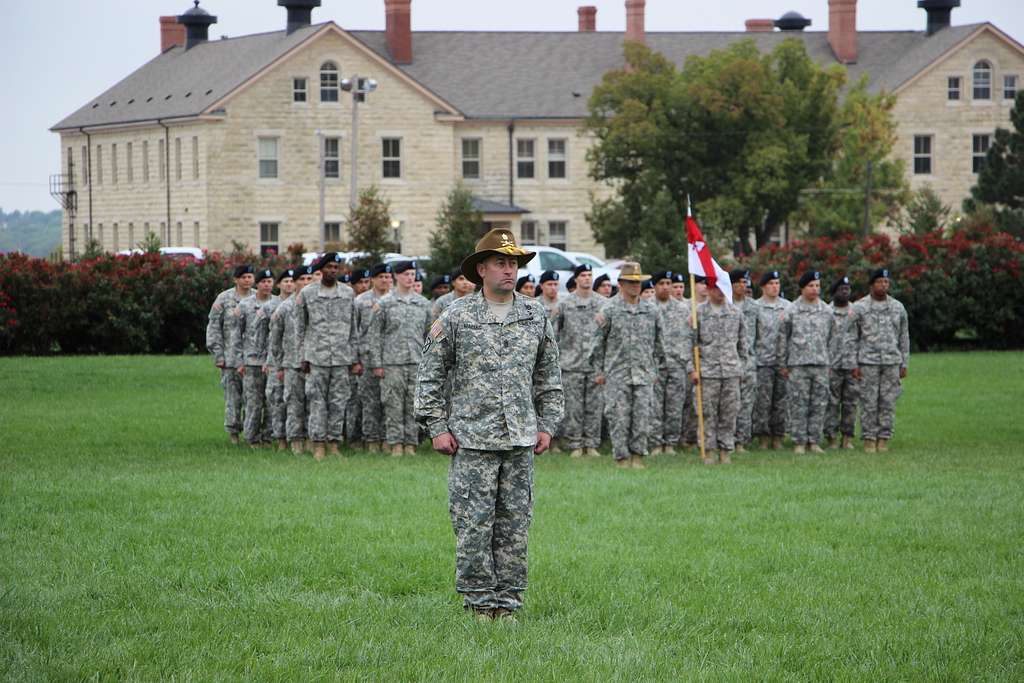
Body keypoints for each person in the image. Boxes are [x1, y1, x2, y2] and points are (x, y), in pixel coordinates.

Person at [415, 228, 563, 622]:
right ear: (481, 270)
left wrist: (547, 424)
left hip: (519, 439)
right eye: (500, 262)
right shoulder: (457, 315)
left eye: (513, 263)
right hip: (471, 440)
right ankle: (479, 602)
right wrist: (437, 426)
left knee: (515, 525)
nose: (509, 270)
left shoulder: (535, 315)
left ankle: (509, 603)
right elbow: (429, 375)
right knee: (473, 524)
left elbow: (549, 376)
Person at [591, 262, 664, 469]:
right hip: (617, 374)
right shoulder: (610, 310)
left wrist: (655, 369)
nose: (635, 286)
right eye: (630, 282)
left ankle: (638, 456)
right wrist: (599, 371)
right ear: (621, 283)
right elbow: (596, 344)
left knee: (642, 417)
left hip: (643, 374)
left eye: (638, 282)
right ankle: (621, 458)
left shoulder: (651, 310)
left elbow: (660, 344)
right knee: (619, 418)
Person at [294, 253, 362, 461]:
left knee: (338, 402)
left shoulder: (348, 293)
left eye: (336, 267)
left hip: (342, 358)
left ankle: (333, 443)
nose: (333, 270)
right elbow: (300, 328)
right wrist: (302, 357)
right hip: (317, 357)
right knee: (317, 402)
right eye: (329, 267)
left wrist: (355, 357)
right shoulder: (307, 293)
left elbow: (353, 328)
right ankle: (318, 444)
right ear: (320, 270)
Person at [368, 260, 433, 456]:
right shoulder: (385, 303)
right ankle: (396, 443)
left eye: (412, 274)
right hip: (392, 362)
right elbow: (375, 335)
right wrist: (377, 364)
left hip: (416, 361)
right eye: (405, 274)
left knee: (414, 405)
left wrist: (428, 362)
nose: (409, 278)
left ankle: (411, 444)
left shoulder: (423, 304)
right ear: (396, 276)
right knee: (393, 404)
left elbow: (429, 335)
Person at [689, 277, 747, 465]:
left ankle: (725, 450)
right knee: (707, 413)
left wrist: (741, 367)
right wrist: (692, 369)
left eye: (723, 288)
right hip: (707, 372)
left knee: (729, 413)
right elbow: (688, 345)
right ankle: (709, 450)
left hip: (730, 371)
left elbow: (743, 345)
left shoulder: (735, 313)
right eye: (716, 288)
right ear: (708, 289)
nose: (720, 292)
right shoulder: (697, 314)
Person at [851, 268, 909, 453]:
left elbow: (903, 336)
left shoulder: (897, 307)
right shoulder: (859, 307)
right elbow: (851, 337)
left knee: (888, 401)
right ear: (871, 284)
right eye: (879, 282)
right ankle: (869, 438)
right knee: (868, 401)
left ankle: (883, 438)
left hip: (891, 361)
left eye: (886, 282)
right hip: (867, 361)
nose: (883, 285)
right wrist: (854, 363)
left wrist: (904, 362)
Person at [779, 270, 837, 454]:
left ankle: (814, 441)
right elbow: (783, 338)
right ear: (802, 288)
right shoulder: (791, 310)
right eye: (811, 286)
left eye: (817, 286)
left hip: (820, 364)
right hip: (798, 364)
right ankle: (799, 442)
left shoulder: (827, 311)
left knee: (819, 404)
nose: (815, 289)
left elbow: (833, 339)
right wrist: (783, 364)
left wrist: (830, 363)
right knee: (798, 404)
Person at [552, 264, 604, 458]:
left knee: (594, 407)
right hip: (571, 363)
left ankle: (591, 444)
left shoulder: (603, 304)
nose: (587, 278)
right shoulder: (565, 304)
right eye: (583, 275)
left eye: (590, 275)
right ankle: (575, 444)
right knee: (573, 408)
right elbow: (555, 334)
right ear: (576, 279)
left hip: (595, 365)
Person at [206, 264, 254, 445]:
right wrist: (218, 354)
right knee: (233, 398)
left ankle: (252, 434)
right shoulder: (224, 299)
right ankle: (233, 434)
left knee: (252, 398)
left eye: (250, 277)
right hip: (230, 358)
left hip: (251, 358)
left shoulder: (258, 298)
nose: (247, 280)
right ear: (236, 279)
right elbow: (213, 327)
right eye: (244, 277)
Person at [269, 265, 314, 454]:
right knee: (294, 404)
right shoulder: (284, 308)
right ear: (294, 283)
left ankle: (313, 440)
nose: (305, 283)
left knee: (314, 404)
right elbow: (275, 340)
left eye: (308, 279)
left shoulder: (317, 304)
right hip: (291, 364)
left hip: (313, 363)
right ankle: (295, 442)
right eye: (301, 280)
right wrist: (279, 365)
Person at [237, 269, 279, 447]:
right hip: (252, 361)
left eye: (270, 281)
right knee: (253, 402)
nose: (267, 285)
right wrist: (238, 360)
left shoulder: (279, 303)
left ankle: (268, 436)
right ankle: (251, 438)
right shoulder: (245, 305)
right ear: (257, 284)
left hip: (272, 361)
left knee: (271, 401)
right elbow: (236, 334)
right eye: (263, 282)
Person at [650, 270, 691, 456]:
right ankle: (656, 443)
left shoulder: (683, 309)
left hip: (677, 364)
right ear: (655, 286)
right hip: (655, 365)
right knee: (655, 407)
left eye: (668, 283)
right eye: (662, 283)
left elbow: (690, 338)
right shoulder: (648, 307)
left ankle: (671, 443)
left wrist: (687, 362)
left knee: (675, 407)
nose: (666, 287)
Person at [354, 263, 393, 452]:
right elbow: (354, 331)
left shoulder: (397, 299)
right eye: (381, 277)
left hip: (392, 358)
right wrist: (356, 359)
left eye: (388, 277)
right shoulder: (361, 301)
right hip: (367, 359)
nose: (385, 280)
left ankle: (387, 440)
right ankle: (371, 441)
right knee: (369, 402)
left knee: (389, 401)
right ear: (373, 279)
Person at [753, 270, 791, 449]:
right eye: (771, 284)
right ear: (763, 287)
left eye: (777, 283)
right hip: (763, 361)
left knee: (781, 401)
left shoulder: (788, 307)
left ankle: (778, 436)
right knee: (763, 401)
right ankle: (763, 437)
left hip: (783, 362)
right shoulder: (755, 307)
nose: (775, 287)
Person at [264, 268, 297, 451]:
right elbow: (261, 336)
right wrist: (266, 360)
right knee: (277, 400)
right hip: (276, 360)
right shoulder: (271, 306)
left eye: (292, 281)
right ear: (279, 284)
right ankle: (280, 439)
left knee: (294, 401)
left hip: (294, 361)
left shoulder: (302, 303)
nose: (289, 284)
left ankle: (296, 438)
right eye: (285, 281)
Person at [825, 276, 859, 450]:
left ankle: (847, 437)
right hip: (832, 364)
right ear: (834, 292)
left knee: (850, 403)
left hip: (852, 364)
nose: (845, 292)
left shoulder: (857, 311)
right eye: (841, 289)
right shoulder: (826, 311)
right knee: (831, 403)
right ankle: (831, 437)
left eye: (847, 289)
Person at [730, 269, 759, 453]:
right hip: (729, 360)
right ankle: (727, 441)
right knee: (730, 404)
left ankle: (741, 441)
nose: (743, 285)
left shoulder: (753, 307)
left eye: (745, 282)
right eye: (739, 282)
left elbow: (761, 334)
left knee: (746, 404)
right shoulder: (725, 304)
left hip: (748, 360)